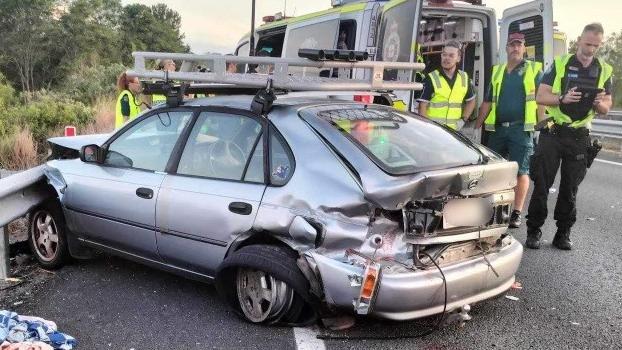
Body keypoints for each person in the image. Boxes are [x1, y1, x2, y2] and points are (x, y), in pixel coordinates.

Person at [524, 23, 613, 250]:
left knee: (570, 188)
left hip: (579, 136)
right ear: (578, 40)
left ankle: (563, 233)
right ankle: (534, 230)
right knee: (542, 184)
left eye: (595, 45)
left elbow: (606, 107)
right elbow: (541, 96)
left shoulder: (604, 69)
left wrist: (598, 103)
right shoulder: (560, 63)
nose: (590, 49)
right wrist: (562, 98)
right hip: (554, 132)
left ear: (599, 44)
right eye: (587, 44)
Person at [475, 32, 545, 228]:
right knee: (493, 170)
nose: (515, 48)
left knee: (521, 171)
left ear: (524, 48)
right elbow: (488, 101)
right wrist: (476, 125)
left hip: (520, 130)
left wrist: (542, 123)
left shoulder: (533, 70)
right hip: (497, 130)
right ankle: (493, 209)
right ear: (506, 48)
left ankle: (516, 213)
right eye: (512, 44)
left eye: (519, 44)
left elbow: (541, 98)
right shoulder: (498, 71)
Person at [417, 40, 476, 130]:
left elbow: (471, 101)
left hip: (453, 132)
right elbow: (422, 106)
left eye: (451, 55)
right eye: (444, 55)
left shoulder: (464, 78)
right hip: (434, 131)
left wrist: (463, 120)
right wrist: (426, 128)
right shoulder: (431, 78)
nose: (446, 58)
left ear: (458, 58)